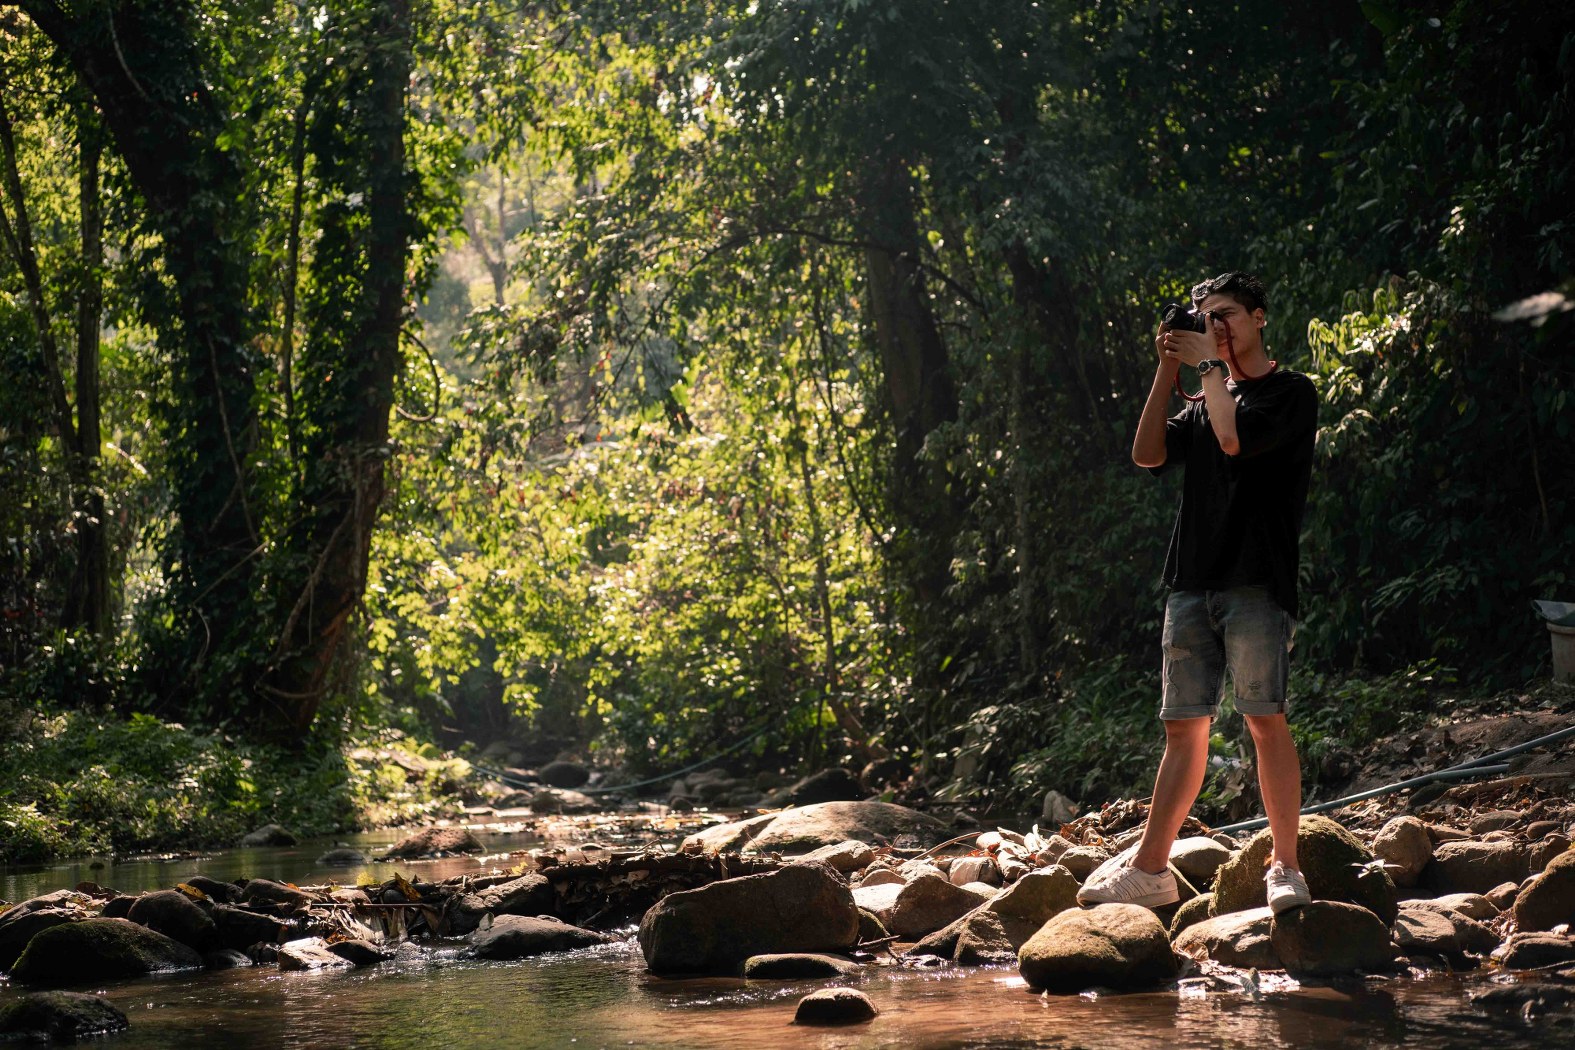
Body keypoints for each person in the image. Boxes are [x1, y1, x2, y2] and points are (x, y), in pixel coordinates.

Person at [1077, 272, 1318, 914]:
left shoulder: (1290, 394)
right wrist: (1166, 370)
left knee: (1264, 720)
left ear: (1259, 318)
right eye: (1206, 317)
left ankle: (1285, 867)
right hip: (1190, 583)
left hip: (1256, 582)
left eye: (1229, 315)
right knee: (1183, 729)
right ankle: (1151, 870)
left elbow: (1235, 437)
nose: (1217, 327)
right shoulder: (1205, 393)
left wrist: (1210, 364)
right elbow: (1147, 454)